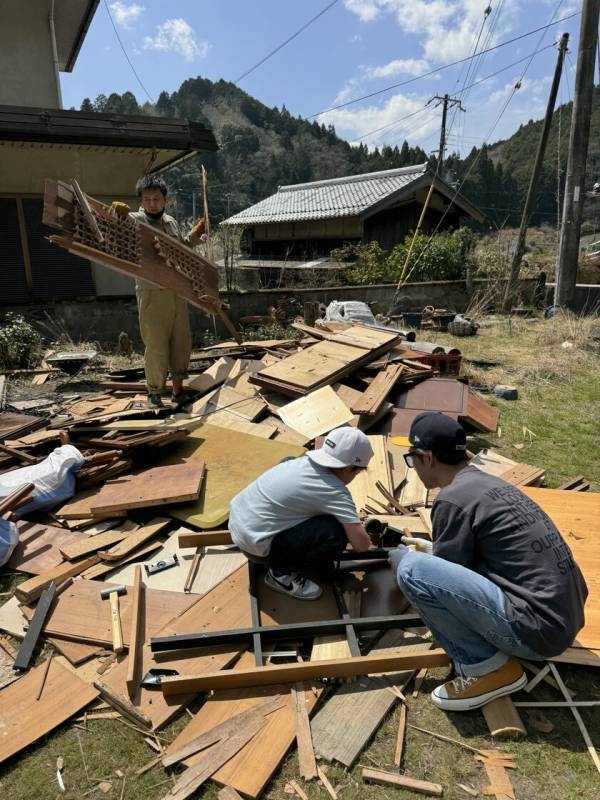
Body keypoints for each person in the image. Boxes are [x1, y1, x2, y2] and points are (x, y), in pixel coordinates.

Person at [389, 412, 587, 711]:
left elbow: (448, 577)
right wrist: (433, 549)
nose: (413, 466)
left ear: (427, 458)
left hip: (535, 634)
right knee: (421, 563)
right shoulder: (488, 486)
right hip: (564, 620)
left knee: (411, 570)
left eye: (412, 457)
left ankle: (487, 667)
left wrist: (406, 560)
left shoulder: (452, 499)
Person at [229, 427, 374, 600]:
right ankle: (280, 574)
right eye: (357, 473)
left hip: (238, 524)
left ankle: (278, 556)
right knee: (336, 533)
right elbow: (361, 546)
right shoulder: (335, 492)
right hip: (256, 549)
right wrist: (359, 530)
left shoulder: (299, 463)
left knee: (287, 460)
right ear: (349, 468)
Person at [112, 176, 206, 409]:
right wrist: (115, 213)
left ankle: (177, 392)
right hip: (152, 292)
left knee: (180, 343)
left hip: (177, 290)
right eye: (147, 199)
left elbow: (181, 248)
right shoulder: (133, 219)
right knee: (156, 345)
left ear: (165, 200)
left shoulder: (171, 222)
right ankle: (154, 392)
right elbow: (115, 225)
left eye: (156, 199)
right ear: (141, 201)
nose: (152, 203)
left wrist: (196, 234)